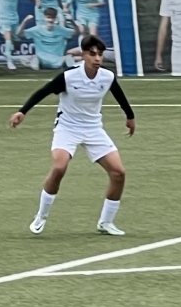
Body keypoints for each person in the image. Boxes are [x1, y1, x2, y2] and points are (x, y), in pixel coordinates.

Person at [11, 35, 135, 236]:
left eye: (100, 54)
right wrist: (22, 112)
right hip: (67, 128)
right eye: (92, 54)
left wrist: (130, 117)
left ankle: (106, 222)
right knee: (59, 168)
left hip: (93, 129)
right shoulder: (69, 76)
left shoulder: (107, 76)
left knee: (118, 173)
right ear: (83, 55)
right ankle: (41, 215)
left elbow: (119, 95)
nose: (97, 58)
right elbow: (43, 91)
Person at [15, 7, 76, 71]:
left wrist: (72, 21)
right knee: (35, 59)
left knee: (69, 58)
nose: (50, 20)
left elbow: (77, 32)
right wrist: (25, 21)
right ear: (44, 18)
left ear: (55, 19)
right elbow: (19, 34)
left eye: (52, 18)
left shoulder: (61, 30)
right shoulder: (37, 29)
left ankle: (76, 73)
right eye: (48, 17)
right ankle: (32, 65)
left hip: (58, 60)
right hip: (41, 60)